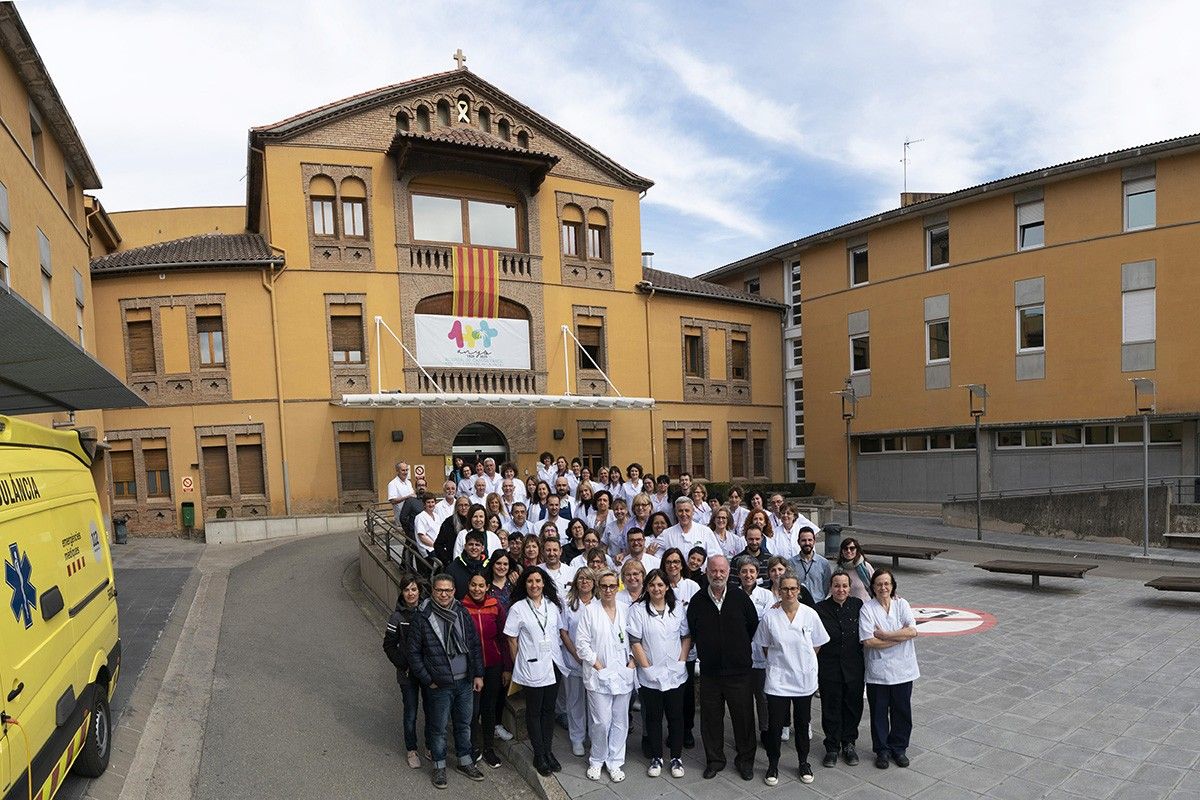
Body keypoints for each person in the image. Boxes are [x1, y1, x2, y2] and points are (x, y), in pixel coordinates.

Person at [407, 574, 486, 788]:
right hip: (439, 685)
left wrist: (478, 674)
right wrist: (428, 679)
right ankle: (439, 767)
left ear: (454, 591)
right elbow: (413, 654)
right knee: (439, 728)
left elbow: (474, 645)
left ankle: (465, 761)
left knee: (463, 725)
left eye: (448, 590)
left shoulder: (461, 612)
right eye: (440, 590)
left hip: (465, 683)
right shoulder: (422, 616)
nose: (444, 594)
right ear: (433, 591)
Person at [687, 554, 759, 781]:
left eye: (722, 571)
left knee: (744, 719)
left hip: (739, 672)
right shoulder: (697, 601)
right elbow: (694, 631)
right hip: (710, 673)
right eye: (713, 571)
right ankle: (715, 760)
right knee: (710, 720)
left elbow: (752, 627)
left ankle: (745, 761)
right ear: (707, 572)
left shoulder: (740, 598)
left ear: (729, 573)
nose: (717, 575)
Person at [753, 574, 830, 787]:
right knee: (775, 725)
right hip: (778, 680)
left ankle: (803, 762)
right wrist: (780, 663)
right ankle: (773, 763)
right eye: (784, 589)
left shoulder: (810, 614)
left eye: (793, 589)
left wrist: (804, 661)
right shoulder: (770, 616)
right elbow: (765, 645)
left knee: (802, 723)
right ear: (778, 591)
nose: (789, 593)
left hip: (803, 679)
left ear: (799, 590)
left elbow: (818, 643)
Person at [628, 568, 690, 779]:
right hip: (650, 675)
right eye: (652, 585)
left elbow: (686, 636)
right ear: (647, 587)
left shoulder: (677, 608)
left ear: (667, 587)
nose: (656, 589)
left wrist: (682, 661)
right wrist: (646, 667)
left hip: (675, 673)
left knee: (675, 717)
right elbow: (635, 641)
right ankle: (656, 757)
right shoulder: (638, 610)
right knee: (653, 718)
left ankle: (676, 758)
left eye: (660, 585)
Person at [575, 568, 636, 782]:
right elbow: (581, 643)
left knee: (620, 720)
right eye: (604, 586)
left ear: (618, 587)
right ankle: (597, 759)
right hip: (598, 673)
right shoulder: (590, 610)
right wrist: (597, 663)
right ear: (598, 588)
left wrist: (632, 661)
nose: (608, 590)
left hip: (622, 672)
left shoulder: (626, 608)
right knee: (601, 721)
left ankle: (615, 761)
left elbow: (636, 637)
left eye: (612, 585)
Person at [505, 566, 564, 776]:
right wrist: (517, 665)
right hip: (531, 666)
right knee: (534, 711)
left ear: (544, 583)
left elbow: (559, 633)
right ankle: (539, 754)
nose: (535, 585)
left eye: (538, 581)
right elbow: (511, 639)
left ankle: (548, 751)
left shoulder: (552, 606)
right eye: (530, 581)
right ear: (525, 584)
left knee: (549, 711)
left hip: (553, 664)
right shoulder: (518, 608)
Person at [860, 568, 919, 769]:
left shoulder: (902, 604)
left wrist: (885, 635)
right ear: (873, 587)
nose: (883, 587)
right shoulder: (867, 609)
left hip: (904, 670)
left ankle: (899, 748)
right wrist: (898, 638)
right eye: (879, 584)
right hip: (879, 672)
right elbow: (868, 641)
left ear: (892, 586)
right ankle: (882, 750)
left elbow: (912, 631)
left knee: (902, 711)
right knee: (878, 713)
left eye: (887, 583)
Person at [816, 571, 865, 768]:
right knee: (831, 707)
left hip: (854, 666)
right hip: (829, 667)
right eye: (837, 586)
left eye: (845, 586)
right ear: (831, 587)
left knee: (853, 706)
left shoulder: (858, 605)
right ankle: (832, 746)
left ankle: (849, 743)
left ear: (850, 587)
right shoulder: (820, 608)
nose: (841, 589)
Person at [463, 574, 512, 769]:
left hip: (493, 665)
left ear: (487, 587)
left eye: (481, 585)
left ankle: (489, 748)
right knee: (473, 710)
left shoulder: (495, 605)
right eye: (473, 585)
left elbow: (504, 638)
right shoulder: (461, 607)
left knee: (489, 708)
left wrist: (507, 667)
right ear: (469, 586)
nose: (477, 589)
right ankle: (474, 746)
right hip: (471, 668)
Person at [383, 573, 428, 769]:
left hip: (427, 671)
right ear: (402, 592)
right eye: (407, 589)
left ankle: (430, 746)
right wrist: (403, 664)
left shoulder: (427, 611)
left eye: (414, 589)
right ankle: (411, 749)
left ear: (419, 591)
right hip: (407, 674)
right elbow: (389, 645)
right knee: (410, 712)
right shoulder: (396, 617)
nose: (410, 593)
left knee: (431, 710)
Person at [660, 546, 700, 748]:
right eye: (668, 562)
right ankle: (673, 730)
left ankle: (687, 730)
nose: (672, 565)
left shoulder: (692, 587)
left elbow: (699, 617)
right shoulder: (660, 586)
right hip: (665, 651)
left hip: (687, 650)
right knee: (669, 693)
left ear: (682, 565)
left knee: (686, 693)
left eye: (676, 562)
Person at [558, 567, 596, 757]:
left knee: (594, 702)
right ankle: (577, 739)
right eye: (581, 578)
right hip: (573, 661)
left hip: (594, 662)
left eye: (588, 579)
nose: (584, 582)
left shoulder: (599, 603)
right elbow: (563, 631)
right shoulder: (568, 603)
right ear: (575, 581)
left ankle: (593, 736)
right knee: (575, 702)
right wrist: (575, 655)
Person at [736, 560, 775, 744]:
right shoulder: (733, 594)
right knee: (742, 700)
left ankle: (766, 730)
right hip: (740, 656)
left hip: (761, 655)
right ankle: (744, 735)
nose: (748, 575)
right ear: (739, 574)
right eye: (744, 571)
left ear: (757, 573)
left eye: (752, 571)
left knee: (763, 696)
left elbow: (767, 623)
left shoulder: (766, 595)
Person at [660, 498, 723, 568]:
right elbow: (657, 555)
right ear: (676, 512)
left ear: (693, 511)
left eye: (687, 510)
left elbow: (716, 556)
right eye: (680, 511)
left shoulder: (705, 531)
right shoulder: (667, 533)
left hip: (700, 576)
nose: (684, 514)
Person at [791, 527, 833, 602]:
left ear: (814, 542)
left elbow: (827, 587)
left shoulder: (824, 563)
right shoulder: (791, 563)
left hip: (818, 604)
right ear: (798, 542)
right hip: (799, 605)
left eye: (810, 540)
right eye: (803, 540)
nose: (807, 543)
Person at [450, 531, 489, 600]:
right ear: (465, 546)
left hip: (486, 608)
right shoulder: (453, 567)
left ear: (482, 548)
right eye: (471, 544)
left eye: (477, 545)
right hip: (460, 607)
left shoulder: (490, 566)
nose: (474, 547)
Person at [433, 496, 471, 567]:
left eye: (466, 505)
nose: (463, 508)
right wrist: (448, 561)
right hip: (453, 561)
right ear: (456, 507)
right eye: (460, 505)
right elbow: (438, 545)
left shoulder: (474, 522)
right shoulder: (449, 522)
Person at [538, 533, 576, 598]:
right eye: (548, 550)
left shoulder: (571, 571)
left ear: (560, 551)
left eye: (555, 550)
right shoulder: (537, 570)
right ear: (543, 552)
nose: (551, 553)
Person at [837, 538, 875, 602]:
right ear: (842, 551)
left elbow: (877, 583)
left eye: (852, 548)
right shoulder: (838, 569)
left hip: (865, 605)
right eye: (845, 548)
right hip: (845, 607)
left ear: (857, 550)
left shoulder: (866, 566)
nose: (849, 551)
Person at [414, 493, 440, 558]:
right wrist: (435, 545)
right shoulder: (420, 517)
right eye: (428, 502)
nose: (431, 504)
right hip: (428, 548)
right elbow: (422, 537)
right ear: (424, 504)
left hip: (436, 546)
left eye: (432, 502)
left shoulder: (436, 516)